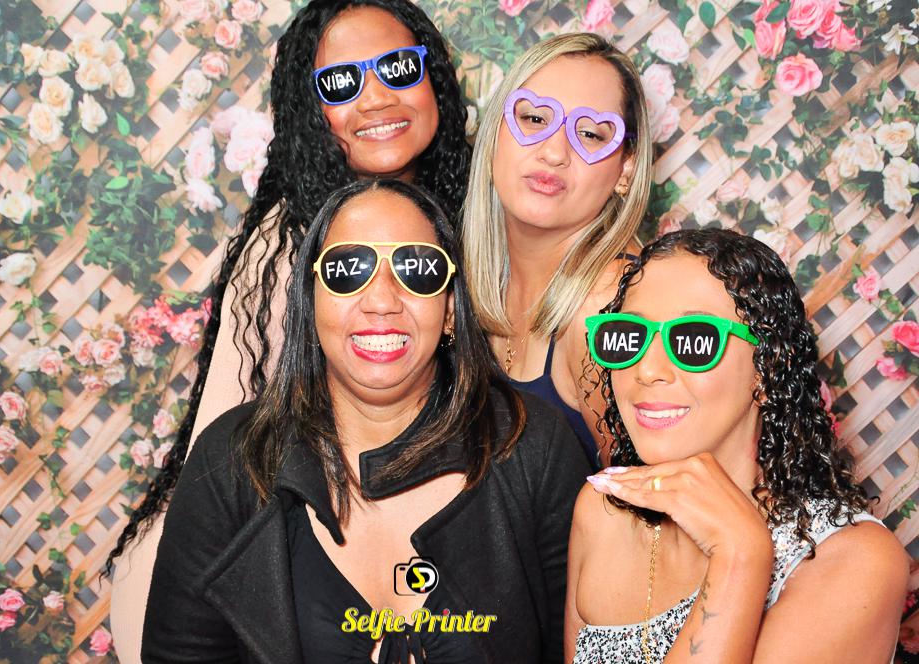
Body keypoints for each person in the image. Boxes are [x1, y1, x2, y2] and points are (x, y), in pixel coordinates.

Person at [107, 1, 471, 659]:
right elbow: (223, 458)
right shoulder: (285, 248)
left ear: (434, 77)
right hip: (282, 574)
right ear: (313, 111)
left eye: (397, 67)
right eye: (340, 82)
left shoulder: (477, 220)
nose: (376, 96)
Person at [143, 179, 587, 663]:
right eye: (347, 271)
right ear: (311, 302)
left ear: (451, 310)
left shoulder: (534, 447)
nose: (381, 300)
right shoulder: (231, 459)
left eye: (417, 270)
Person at [565, 228, 908, 663]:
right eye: (630, 336)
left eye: (693, 340)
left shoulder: (855, 561)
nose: (647, 371)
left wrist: (740, 552)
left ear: (768, 368)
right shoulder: (603, 512)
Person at [462, 33, 653, 472]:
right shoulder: (473, 284)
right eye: (533, 118)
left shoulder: (606, 307)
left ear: (625, 168)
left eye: (589, 133)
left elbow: (647, 504)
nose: (553, 152)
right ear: (494, 136)